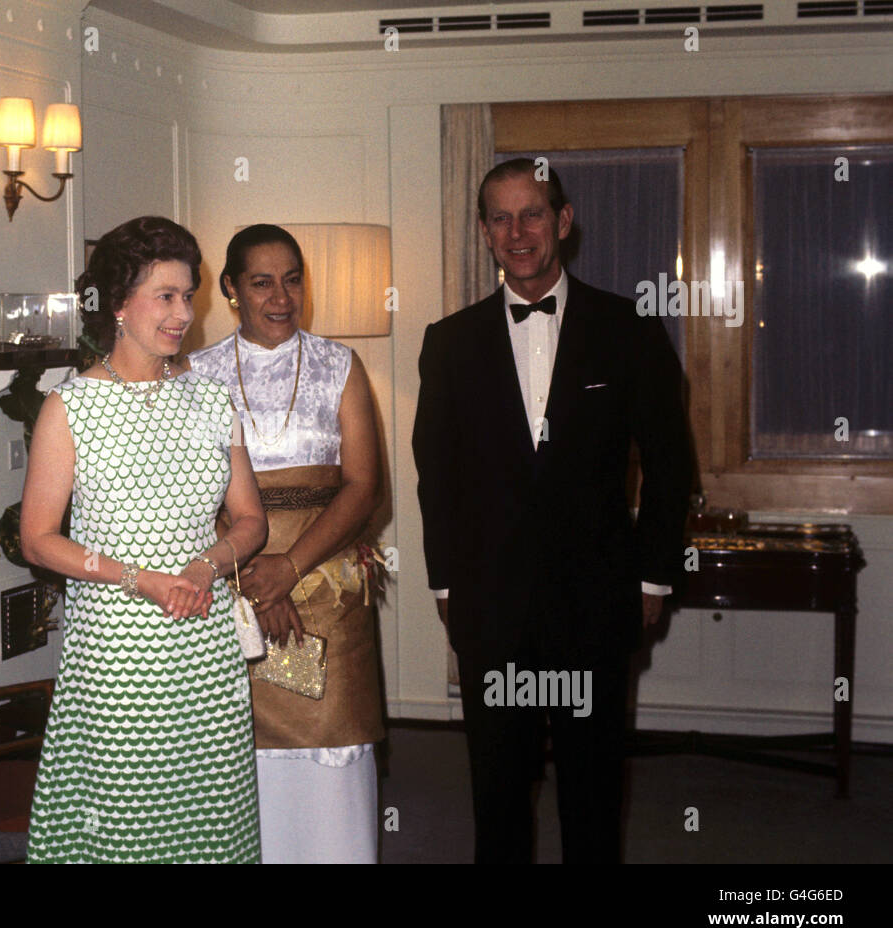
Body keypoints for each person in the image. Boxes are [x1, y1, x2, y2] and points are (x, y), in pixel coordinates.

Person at [412, 158, 692, 864]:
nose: (518, 231)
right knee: (497, 794)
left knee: (593, 793)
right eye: (500, 218)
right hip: (492, 603)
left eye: (532, 213)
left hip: (595, 601)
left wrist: (654, 578)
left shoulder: (629, 329)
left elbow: (669, 465)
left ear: (563, 221)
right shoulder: (448, 341)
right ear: (483, 231)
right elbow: (435, 471)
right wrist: (445, 582)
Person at [20, 215, 268, 863]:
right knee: (128, 819)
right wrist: (141, 579)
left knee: (208, 816)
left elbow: (250, 520)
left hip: (204, 640)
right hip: (121, 650)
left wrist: (204, 563)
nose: (184, 312)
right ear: (119, 305)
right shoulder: (70, 407)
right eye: (166, 295)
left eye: (189, 295)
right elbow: (39, 540)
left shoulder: (214, 400)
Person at [188, 224, 385, 864]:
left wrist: (290, 568)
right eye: (262, 282)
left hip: (326, 583)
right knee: (243, 761)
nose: (281, 297)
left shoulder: (340, 366)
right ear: (231, 290)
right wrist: (253, 583)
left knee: (332, 757)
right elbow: (193, 494)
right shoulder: (194, 374)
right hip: (233, 592)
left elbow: (363, 486)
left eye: (293, 279)